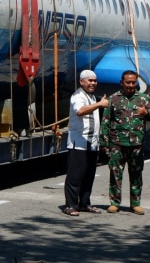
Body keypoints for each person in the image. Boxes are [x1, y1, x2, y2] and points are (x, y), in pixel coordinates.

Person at [100, 70, 150, 215]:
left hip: (136, 144)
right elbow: (105, 122)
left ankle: (135, 203)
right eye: (128, 82)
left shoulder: (144, 99)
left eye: (133, 82)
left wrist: (146, 113)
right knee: (115, 174)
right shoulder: (113, 99)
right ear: (122, 83)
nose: (131, 85)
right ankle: (114, 203)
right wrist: (104, 143)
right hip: (117, 144)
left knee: (136, 175)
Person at [63, 69, 109, 216]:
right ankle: (70, 205)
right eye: (89, 80)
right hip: (79, 143)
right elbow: (80, 111)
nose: (93, 83)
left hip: (92, 143)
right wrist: (100, 104)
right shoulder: (78, 96)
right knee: (75, 176)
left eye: (94, 81)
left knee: (88, 176)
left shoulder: (92, 97)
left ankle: (84, 203)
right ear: (81, 82)